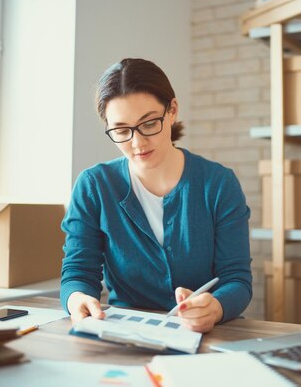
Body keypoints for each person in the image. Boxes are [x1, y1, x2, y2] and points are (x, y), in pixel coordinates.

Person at [60, 58, 252, 333]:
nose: (137, 143)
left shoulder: (218, 183)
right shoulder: (94, 185)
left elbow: (237, 280)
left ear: (172, 111)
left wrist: (216, 306)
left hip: (206, 334)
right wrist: (77, 299)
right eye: (122, 130)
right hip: (127, 334)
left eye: (149, 124)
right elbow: (78, 272)